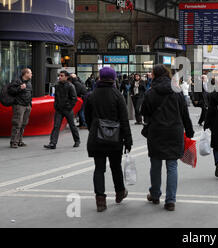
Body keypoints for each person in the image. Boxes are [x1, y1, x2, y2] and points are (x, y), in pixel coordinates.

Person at [140, 64, 194, 211]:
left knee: (156, 164)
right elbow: (184, 113)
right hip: (174, 131)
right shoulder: (176, 91)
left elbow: (143, 111)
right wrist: (189, 131)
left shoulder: (150, 92)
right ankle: (170, 200)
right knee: (172, 165)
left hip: (156, 132)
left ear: (155, 75)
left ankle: (155, 195)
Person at [84, 67, 133, 212]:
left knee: (99, 168)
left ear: (100, 77)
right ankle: (119, 193)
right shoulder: (117, 95)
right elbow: (124, 119)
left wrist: (93, 129)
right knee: (115, 166)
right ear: (113, 78)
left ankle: (100, 200)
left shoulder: (91, 95)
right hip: (115, 138)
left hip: (97, 137)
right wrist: (128, 140)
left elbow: (87, 117)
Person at [44, 71, 81, 149]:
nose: (59, 77)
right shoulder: (57, 85)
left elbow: (74, 99)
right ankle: (52, 143)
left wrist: (69, 107)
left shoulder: (71, 86)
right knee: (56, 126)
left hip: (68, 110)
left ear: (66, 77)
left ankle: (77, 141)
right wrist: (56, 106)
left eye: (61, 75)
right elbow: (56, 97)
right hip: (59, 109)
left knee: (72, 126)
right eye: (59, 75)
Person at [8, 68, 33, 148]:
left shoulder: (29, 83)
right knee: (17, 123)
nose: (31, 74)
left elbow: (30, 93)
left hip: (27, 105)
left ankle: (19, 141)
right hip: (19, 105)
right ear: (25, 74)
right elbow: (10, 91)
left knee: (23, 124)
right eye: (30, 73)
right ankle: (13, 142)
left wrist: (30, 105)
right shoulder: (17, 81)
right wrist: (20, 88)